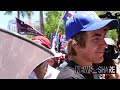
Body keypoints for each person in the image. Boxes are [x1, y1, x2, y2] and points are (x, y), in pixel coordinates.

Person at [57, 11, 119, 79]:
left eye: (103, 37)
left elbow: (94, 70)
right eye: (96, 38)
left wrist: (114, 70)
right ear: (75, 45)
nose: (105, 45)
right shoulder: (71, 77)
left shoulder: (83, 69)